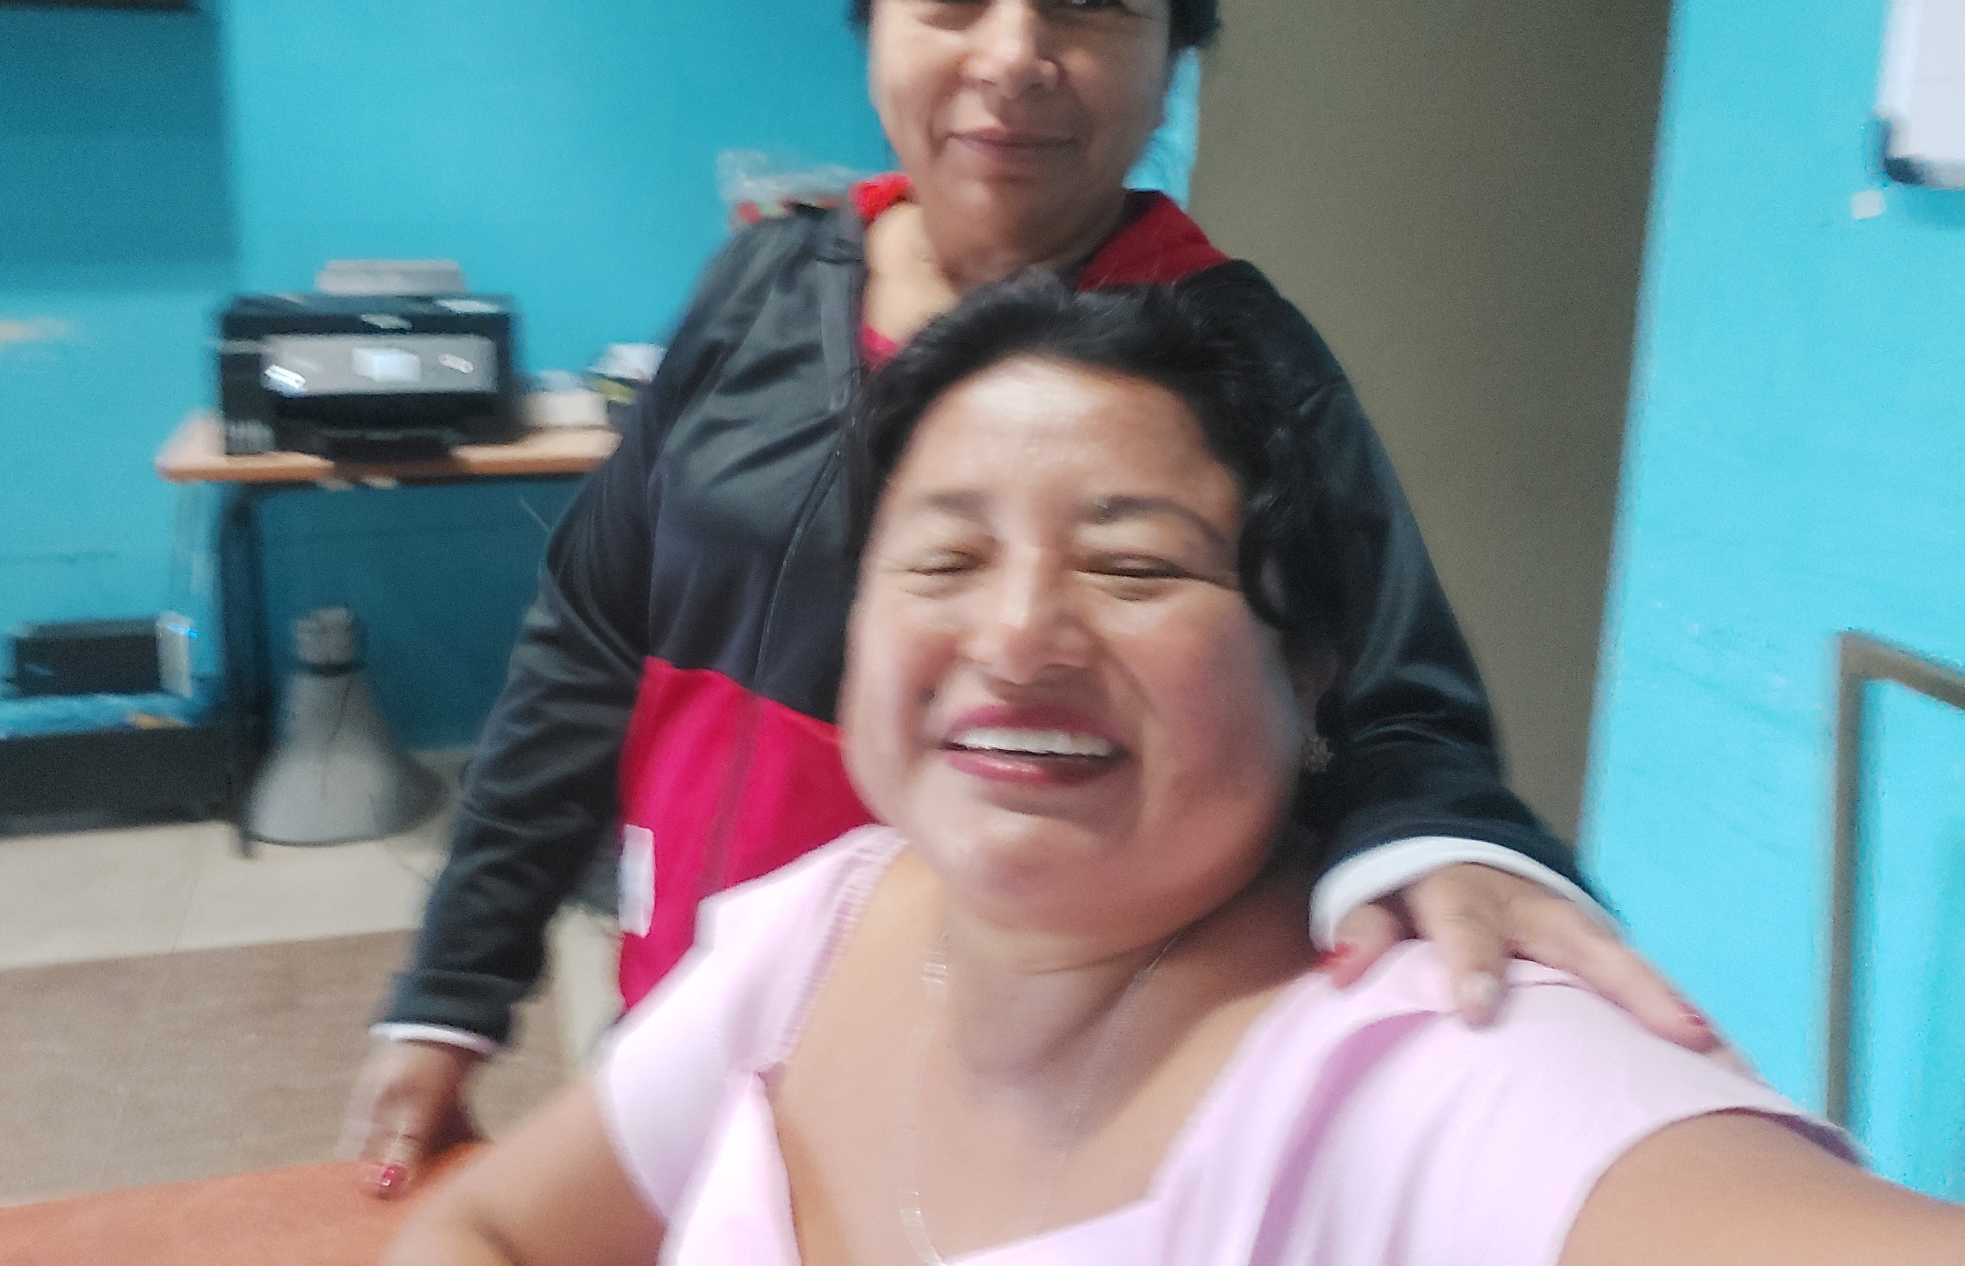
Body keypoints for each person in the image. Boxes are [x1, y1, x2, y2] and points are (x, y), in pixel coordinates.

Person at [346, 0, 1702, 1191]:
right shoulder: (758, 286)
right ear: (870, 18)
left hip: (1009, 1108)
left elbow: (1396, 702)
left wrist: (1449, 846)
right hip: (686, 1027)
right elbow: (588, 639)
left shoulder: (1229, 361)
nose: (1011, 56)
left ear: (1175, 51)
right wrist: (453, 988)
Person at [384, 276, 1961, 1266]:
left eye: (1134, 565)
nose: (1018, 632)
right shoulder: (824, 924)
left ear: (1313, 657)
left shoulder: (1434, 1062)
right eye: (943, 556)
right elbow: (491, 1226)